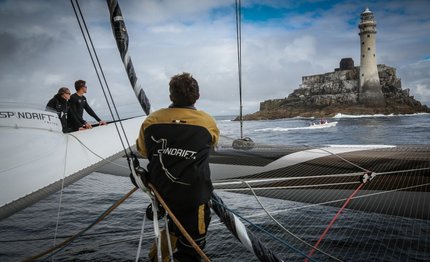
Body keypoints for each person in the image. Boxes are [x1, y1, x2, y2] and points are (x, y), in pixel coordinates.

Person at [135, 72, 219, 262]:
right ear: (197, 96)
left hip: (163, 194)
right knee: (192, 249)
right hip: (194, 199)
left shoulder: (152, 121)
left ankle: (159, 257)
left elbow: (143, 150)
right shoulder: (207, 122)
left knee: (173, 227)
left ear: (171, 96)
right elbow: (212, 142)